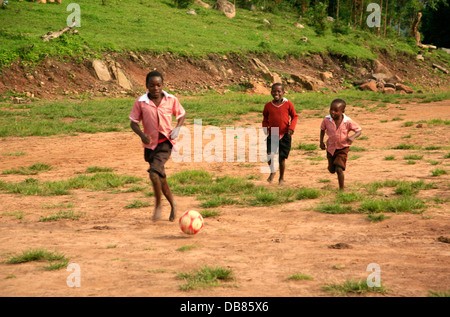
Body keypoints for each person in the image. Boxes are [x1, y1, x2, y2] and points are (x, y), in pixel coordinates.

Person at [129, 71, 186, 221]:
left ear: (163, 85)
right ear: (146, 86)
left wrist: (178, 128)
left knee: (153, 173)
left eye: (158, 85)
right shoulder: (141, 102)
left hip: (165, 143)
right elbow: (133, 123)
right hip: (150, 146)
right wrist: (142, 135)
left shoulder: (171, 100)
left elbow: (181, 114)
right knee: (161, 177)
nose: (155, 88)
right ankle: (173, 202)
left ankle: (158, 205)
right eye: (152, 85)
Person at [319, 98, 362, 191]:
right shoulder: (327, 120)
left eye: (336, 111)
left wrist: (352, 137)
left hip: (343, 147)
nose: (332, 112)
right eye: (331, 109)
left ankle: (341, 189)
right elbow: (322, 129)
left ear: (342, 111)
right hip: (331, 148)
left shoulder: (347, 121)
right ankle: (332, 167)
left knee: (339, 168)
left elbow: (359, 131)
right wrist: (321, 142)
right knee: (332, 169)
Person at [262, 83, 298, 185]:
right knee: (269, 154)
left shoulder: (288, 104)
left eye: (279, 91)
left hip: (285, 134)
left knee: (281, 159)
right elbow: (265, 118)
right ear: (271, 92)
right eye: (274, 91)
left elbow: (294, 116)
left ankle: (281, 178)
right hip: (273, 133)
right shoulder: (268, 106)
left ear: (283, 92)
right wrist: (265, 128)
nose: (276, 93)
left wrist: (291, 127)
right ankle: (272, 170)